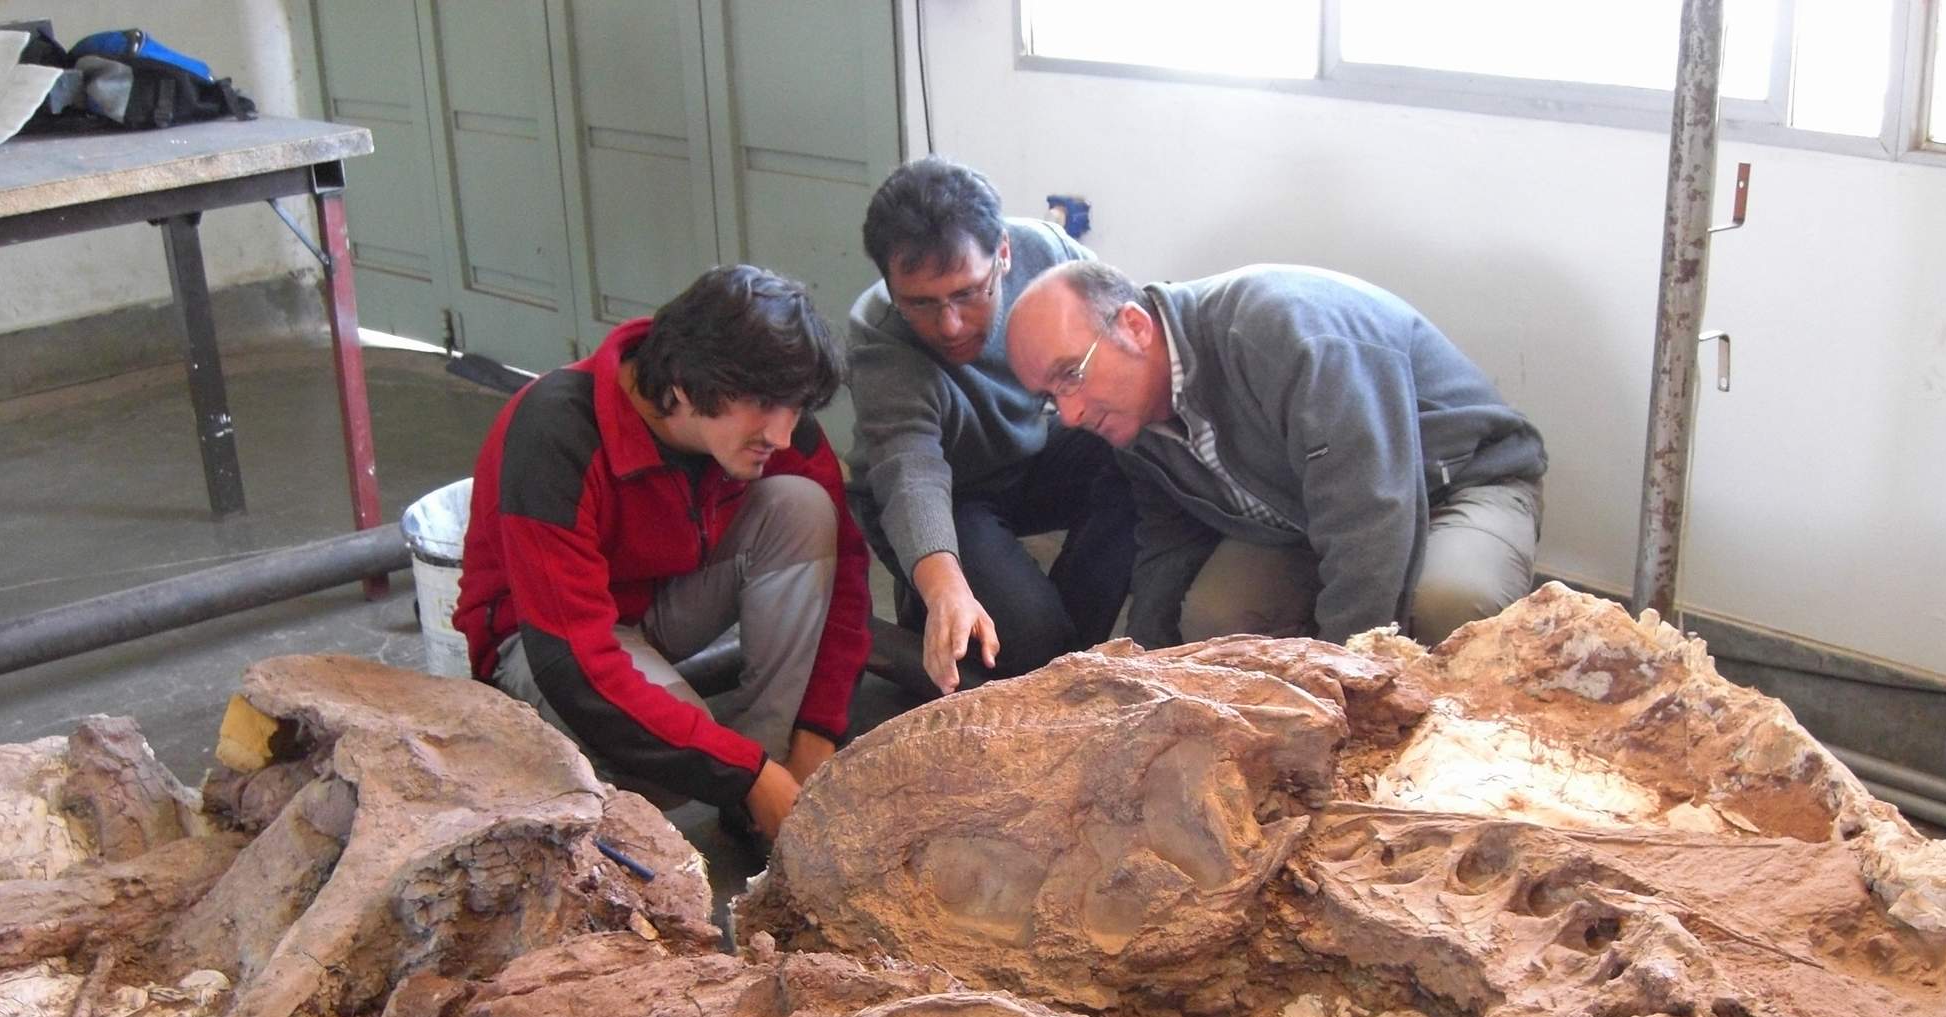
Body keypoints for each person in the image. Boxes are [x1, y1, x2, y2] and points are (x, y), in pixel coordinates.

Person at [454, 265, 870, 841]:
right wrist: (740, 772)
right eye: (759, 403)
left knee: (804, 509)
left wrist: (812, 739)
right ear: (680, 384)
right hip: (539, 641)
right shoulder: (556, 432)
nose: (780, 433)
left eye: (794, 408)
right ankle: (749, 781)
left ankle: (762, 791)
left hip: (658, 601)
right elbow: (573, 661)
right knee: (672, 777)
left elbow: (845, 575)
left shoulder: (775, 427)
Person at [1005, 260, 1548, 650]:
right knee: (1216, 616)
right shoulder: (1133, 418)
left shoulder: (1286, 331)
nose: (1070, 414)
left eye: (1071, 375)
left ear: (1134, 326)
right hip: (1305, 512)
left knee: (1448, 604)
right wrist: (1147, 671)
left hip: (1460, 481)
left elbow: (1372, 520)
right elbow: (1168, 546)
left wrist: (1340, 694)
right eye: (1052, 398)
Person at [846, 156, 1135, 693]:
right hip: (946, 497)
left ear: (1003, 254)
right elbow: (912, 472)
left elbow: (1126, 346)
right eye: (921, 304)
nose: (950, 325)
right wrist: (945, 587)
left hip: (1027, 457)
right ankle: (959, 620)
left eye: (966, 294)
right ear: (889, 284)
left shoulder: (1049, 257)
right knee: (1029, 642)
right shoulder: (880, 335)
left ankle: (1061, 663)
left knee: (1133, 452)